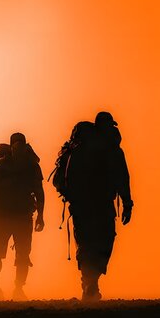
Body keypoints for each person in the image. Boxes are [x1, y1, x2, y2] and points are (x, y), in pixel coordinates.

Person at [64, 112, 133, 301]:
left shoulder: (81, 149)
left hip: (85, 206)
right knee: (102, 241)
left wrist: (74, 200)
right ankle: (91, 282)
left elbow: (67, 178)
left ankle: (89, 282)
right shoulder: (112, 150)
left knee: (89, 242)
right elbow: (122, 179)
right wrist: (127, 203)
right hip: (98, 205)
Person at [0, 133, 45, 300]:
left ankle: (18, 288)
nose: (19, 148)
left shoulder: (32, 166)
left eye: (21, 145)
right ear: (11, 147)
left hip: (23, 216)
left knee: (23, 254)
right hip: (1, 216)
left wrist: (41, 215)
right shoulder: (0, 165)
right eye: (16, 145)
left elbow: (39, 191)